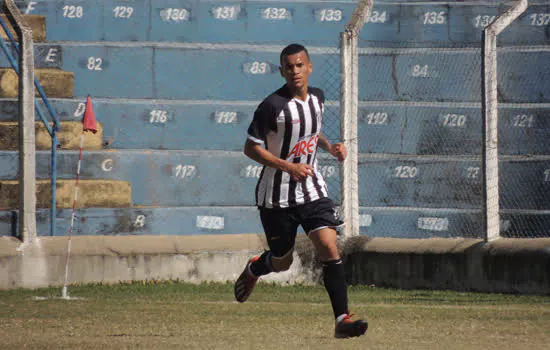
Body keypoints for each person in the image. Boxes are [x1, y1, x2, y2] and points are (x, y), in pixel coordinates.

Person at [234, 43, 368, 339]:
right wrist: (287, 166)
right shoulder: (272, 106)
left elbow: (311, 130)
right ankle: (257, 268)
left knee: (328, 246)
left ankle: (342, 319)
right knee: (282, 262)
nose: (295, 71)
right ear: (282, 71)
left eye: (299, 65)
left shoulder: (318, 98)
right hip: (276, 196)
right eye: (288, 67)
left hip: (311, 188)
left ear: (309, 67)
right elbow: (250, 148)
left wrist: (330, 146)